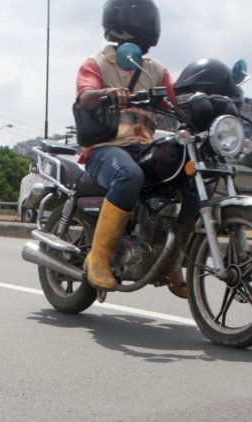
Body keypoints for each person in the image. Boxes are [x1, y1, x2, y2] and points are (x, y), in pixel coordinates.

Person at [75, 0, 184, 297]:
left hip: (144, 147)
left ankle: (173, 259)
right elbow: (85, 97)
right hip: (104, 150)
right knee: (128, 175)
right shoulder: (95, 64)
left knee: (182, 179)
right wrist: (108, 93)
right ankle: (97, 258)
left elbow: (176, 98)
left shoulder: (155, 70)